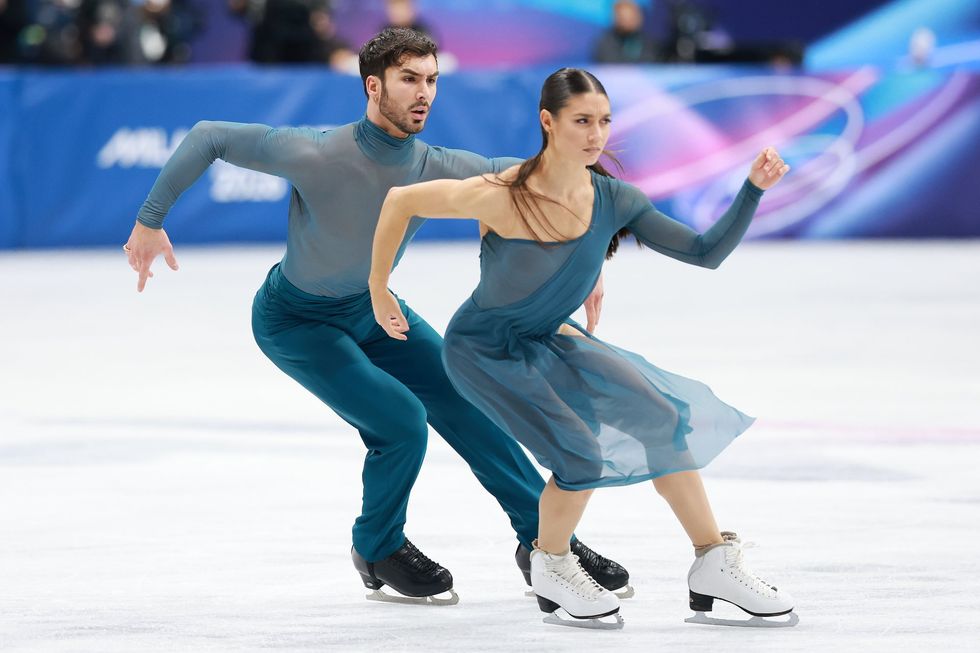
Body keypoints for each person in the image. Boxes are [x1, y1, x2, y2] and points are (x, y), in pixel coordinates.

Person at [122, 29, 629, 605]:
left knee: (471, 402)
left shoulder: (435, 166)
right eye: (410, 79)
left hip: (374, 310)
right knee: (401, 422)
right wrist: (149, 219)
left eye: (432, 80)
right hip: (296, 321)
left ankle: (545, 544)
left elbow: (535, 180)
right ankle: (378, 546)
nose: (425, 93)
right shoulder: (315, 151)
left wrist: (589, 254)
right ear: (373, 84)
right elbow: (208, 135)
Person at [369, 67, 796, 628]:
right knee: (579, 455)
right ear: (549, 123)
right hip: (483, 350)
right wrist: (379, 288)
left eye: (604, 121)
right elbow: (401, 199)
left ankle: (711, 560)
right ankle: (551, 564)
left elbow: (704, 252)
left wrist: (752, 191)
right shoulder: (501, 195)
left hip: (550, 337)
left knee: (663, 419)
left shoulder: (615, 198)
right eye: (581, 121)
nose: (596, 134)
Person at [593, 0, 661, 64]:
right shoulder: (605, 44)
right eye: (623, 17)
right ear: (616, 18)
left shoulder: (651, 44)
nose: (628, 21)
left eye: (632, 16)